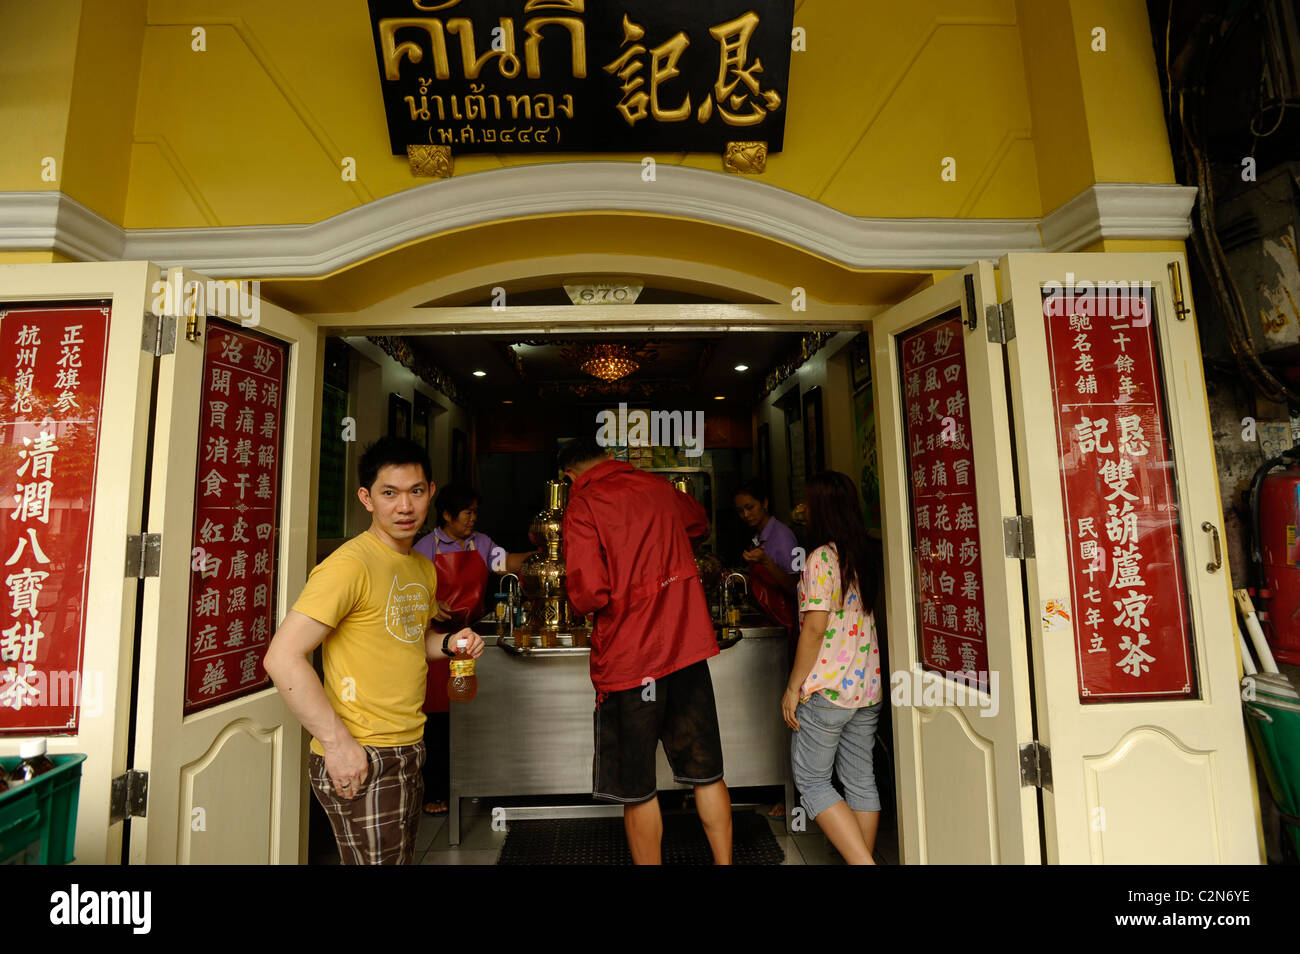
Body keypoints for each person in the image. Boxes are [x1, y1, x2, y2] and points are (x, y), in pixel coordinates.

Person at [264, 437, 484, 865]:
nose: (405, 507)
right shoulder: (350, 565)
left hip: (407, 745)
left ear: (431, 493)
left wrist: (449, 643)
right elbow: (282, 657)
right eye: (390, 493)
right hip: (363, 749)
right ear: (366, 498)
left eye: (415, 492)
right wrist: (338, 743)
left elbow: (407, 638)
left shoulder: (420, 566)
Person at [559, 435, 733, 865]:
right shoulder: (658, 487)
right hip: (685, 650)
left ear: (569, 476)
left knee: (637, 787)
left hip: (630, 660)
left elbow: (589, 593)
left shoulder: (583, 505)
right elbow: (698, 523)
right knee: (706, 771)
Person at [781, 470, 884, 866]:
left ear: (822, 508)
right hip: (866, 688)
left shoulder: (821, 557)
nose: (802, 510)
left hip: (827, 691)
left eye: (807, 502)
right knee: (860, 780)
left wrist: (793, 687)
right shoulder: (862, 553)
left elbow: (815, 628)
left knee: (812, 781)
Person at [412, 482, 529, 816]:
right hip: (435, 642)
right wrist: (430, 603)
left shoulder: (481, 543)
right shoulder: (424, 547)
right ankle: (436, 789)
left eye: (476, 512)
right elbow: (408, 588)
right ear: (447, 515)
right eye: (467, 513)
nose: (473, 518)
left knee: (472, 712)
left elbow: (504, 563)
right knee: (437, 720)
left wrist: (540, 555)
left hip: (470, 638)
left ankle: (475, 783)